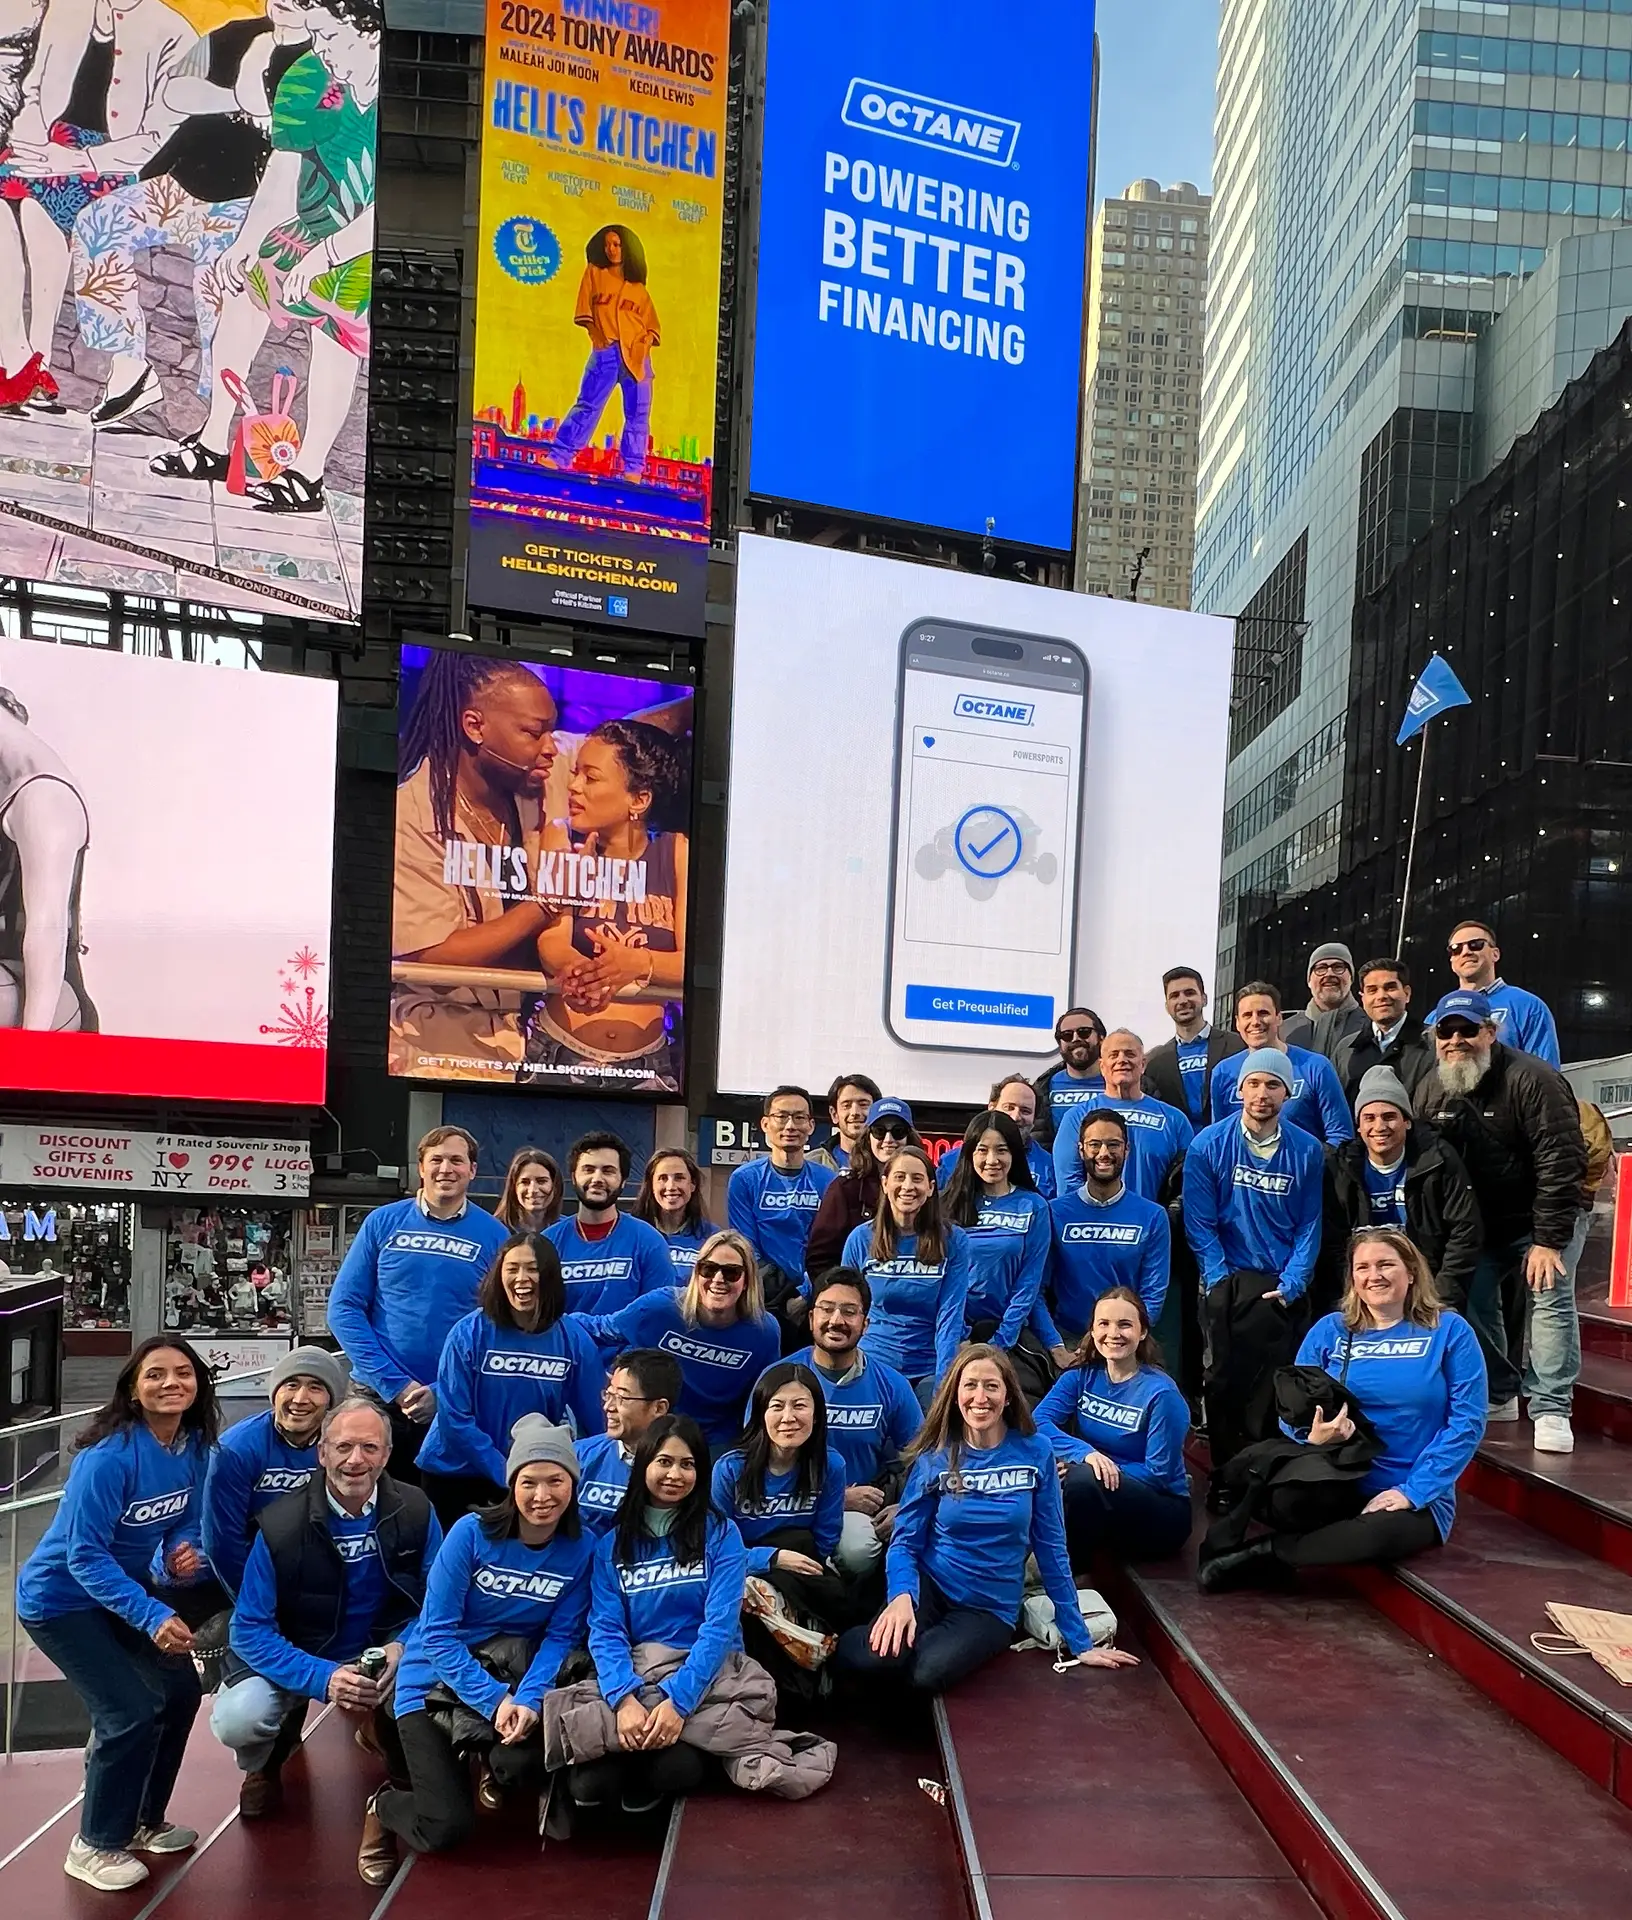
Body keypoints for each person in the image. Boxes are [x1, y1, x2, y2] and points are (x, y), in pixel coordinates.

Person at [149, 0, 380, 515]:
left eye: (331, 36)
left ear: (370, 34)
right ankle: (213, 443)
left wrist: (324, 258)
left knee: (336, 334)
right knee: (244, 293)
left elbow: (384, 211)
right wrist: (248, 242)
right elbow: (283, 167)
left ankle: (308, 474)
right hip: (311, 223)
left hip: (364, 241)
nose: (321, 50)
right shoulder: (311, 77)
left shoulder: (399, 94)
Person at [17, 1337, 218, 1890]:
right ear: (133, 1387)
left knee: (178, 1694)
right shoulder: (106, 1458)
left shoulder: (195, 1446)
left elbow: (185, 1521)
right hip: (60, 1602)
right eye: (155, 1374)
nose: (171, 1382)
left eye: (183, 1372)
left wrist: (180, 1553)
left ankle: (142, 1822)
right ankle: (94, 1843)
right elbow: (84, 1555)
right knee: (126, 1712)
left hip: (120, 1593)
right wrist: (152, 1612)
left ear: (198, 1383)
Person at [836, 1345, 1137, 1692]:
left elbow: (1051, 1547)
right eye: (970, 1385)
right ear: (955, 1394)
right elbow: (905, 1541)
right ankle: (835, 1645)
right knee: (882, 1656)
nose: (981, 1397)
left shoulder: (1035, 1452)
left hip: (989, 1607)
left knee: (925, 1673)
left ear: (1008, 1395)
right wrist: (902, 1596)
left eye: (991, 1386)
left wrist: (1080, 1641)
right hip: (930, 1585)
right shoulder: (936, 1456)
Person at [1198, 1229, 1485, 1591]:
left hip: (1413, 1487)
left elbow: (1468, 1423)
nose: (1373, 1275)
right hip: (1339, 1475)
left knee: (1379, 1535)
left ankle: (1265, 1554)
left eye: (1386, 1265)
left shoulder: (1450, 1331)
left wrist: (1412, 1491)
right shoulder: (1331, 1330)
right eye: (1362, 1267)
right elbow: (1292, 1412)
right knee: (1285, 1501)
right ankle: (1318, 1539)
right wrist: (1311, 1435)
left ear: (1411, 1272)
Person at [68, 0, 311, 424]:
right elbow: (174, 91)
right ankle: (129, 369)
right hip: (184, 182)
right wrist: (238, 98)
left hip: (255, 203)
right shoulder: (235, 33)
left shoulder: (325, 57)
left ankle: (213, 415)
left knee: (217, 288)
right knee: (97, 223)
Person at [366, 1417, 594, 1867]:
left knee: (526, 1765)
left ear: (574, 1483)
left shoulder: (583, 1548)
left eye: (556, 1480)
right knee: (445, 1828)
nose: (542, 1496)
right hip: (433, 1682)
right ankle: (381, 1808)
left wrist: (526, 1699)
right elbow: (435, 1633)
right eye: (529, 1482)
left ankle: (490, 1762)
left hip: (512, 1675)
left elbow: (560, 1636)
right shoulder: (471, 1533)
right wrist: (495, 1702)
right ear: (512, 1484)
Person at [211, 1398, 441, 1826]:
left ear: (387, 1455)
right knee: (240, 1718)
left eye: (370, 1448)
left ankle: (388, 1733)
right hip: (304, 1648)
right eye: (343, 1447)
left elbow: (441, 1605)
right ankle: (265, 1762)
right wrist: (322, 1677)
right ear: (322, 1452)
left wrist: (403, 1647)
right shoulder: (279, 1524)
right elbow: (248, 1630)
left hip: (381, 1648)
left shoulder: (417, 1510)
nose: (356, 1460)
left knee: (451, 1677)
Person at [0, 0, 194, 411]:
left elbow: (165, 138)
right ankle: (22, 357)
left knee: (39, 214)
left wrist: (83, 160)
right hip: (49, 147)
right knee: (12, 206)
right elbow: (31, 88)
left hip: (113, 161)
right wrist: (30, 133)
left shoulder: (174, 32)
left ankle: (35, 363)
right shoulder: (67, 10)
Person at [1419, 990, 1587, 1451]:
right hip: (1482, 1225)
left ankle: (1552, 1406)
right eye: (1446, 1032)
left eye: (1468, 1029)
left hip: (1543, 1217)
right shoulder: (1432, 1087)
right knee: (1467, 1302)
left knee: (1549, 1298)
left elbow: (1561, 1160)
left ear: (1490, 1032)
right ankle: (1500, 1391)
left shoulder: (1534, 1079)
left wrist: (1549, 1240)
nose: (1456, 1040)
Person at [388, 654, 566, 1076]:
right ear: (474, 726)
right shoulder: (411, 813)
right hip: (437, 1052)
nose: (551, 749)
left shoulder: (536, 777)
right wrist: (544, 906)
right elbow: (433, 955)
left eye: (552, 731)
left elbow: (627, 741)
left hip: (530, 1043)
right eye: (533, 733)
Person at [567, 1414, 747, 1817]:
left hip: (702, 1677)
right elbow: (606, 1629)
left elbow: (719, 1630)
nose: (675, 1474)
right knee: (591, 1785)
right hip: (637, 1675)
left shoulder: (721, 1534)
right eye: (664, 1462)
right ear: (644, 1464)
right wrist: (624, 1698)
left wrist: (678, 1702)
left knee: (672, 1769)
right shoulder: (613, 1544)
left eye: (687, 1464)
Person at [327, 1126, 511, 1479]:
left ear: (472, 1170)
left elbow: (498, 1326)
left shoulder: (495, 1236)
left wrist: (442, 1392)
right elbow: (343, 1309)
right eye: (436, 1160)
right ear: (421, 1167)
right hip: (376, 1395)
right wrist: (395, 1385)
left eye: (457, 1160)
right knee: (362, 1500)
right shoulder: (382, 1222)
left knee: (440, 1509)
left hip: (455, 1400)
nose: (446, 1169)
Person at [523, 719, 688, 1092]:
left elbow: (692, 965)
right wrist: (582, 972)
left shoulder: (676, 851)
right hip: (558, 1050)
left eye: (591, 778)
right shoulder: (561, 836)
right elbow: (552, 940)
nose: (574, 786)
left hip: (648, 1063)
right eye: (576, 773)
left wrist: (638, 963)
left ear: (639, 799)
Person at [1183, 1048, 1326, 1474]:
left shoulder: (1308, 1150)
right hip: (1228, 1281)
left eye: (1273, 1085)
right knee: (1223, 1384)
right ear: (1239, 1088)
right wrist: (1219, 1282)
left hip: (1282, 1286)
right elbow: (1200, 1224)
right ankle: (1227, 1476)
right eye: (1255, 1084)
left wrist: (1294, 1282)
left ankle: (1267, 1472)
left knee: (1275, 1387)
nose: (1262, 1094)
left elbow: (1310, 1224)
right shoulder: (1207, 1145)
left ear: (1287, 1093)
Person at [415, 1233, 607, 1524]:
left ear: (550, 1276)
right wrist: (506, 1470)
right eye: (512, 1268)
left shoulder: (573, 1339)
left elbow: (595, 1422)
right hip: (456, 1473)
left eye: (532, 1268)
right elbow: (455, 1418)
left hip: (531, 1480)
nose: (522, 1278)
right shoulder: (469, 1332)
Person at [575, 1229, 780, 1445]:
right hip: (655, 1432)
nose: (718, 1279)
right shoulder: (660, 1308)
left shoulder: (764, 1332)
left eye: (731, 1273)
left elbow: (764, 1397)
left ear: (747, 1281)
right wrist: (551, 1321)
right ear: (696, 1274)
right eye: (708, 1269)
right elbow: (601, 1329)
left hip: (717, 1441)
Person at [1035, 1287, 1192, 1566]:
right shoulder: (1081, 1376)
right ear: (1093, 1332)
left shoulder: (1161, 1394)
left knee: (1080, 1481)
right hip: (1103, 1494)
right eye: (1104, 1324)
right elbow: (1038, 1422)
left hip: (1161, 1511)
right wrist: (1083, 1453)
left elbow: (1158, 1474)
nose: (1113, 1333)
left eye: (1125, 1324)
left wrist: (1093, 1469)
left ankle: (1068, 1570)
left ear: (1142, 1332)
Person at [711, 1364, 847, 1677]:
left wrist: (792, 1562)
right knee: (745, 1593)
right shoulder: (730, 1469)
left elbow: (826, 1537)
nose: (788, 1417)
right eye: (777, 1406)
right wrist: (772, 1559)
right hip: (743, 1563)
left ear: (816, 1414)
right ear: (760, 1414)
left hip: (802, 1561)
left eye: (800, 1406)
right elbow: (714, 1549)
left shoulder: (830, 1466)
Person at [785, 1269, 920, 1577]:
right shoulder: (778, 1378)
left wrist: (906, 1508)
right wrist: (833, 1497)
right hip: (784, 1506)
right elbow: (753, 1463)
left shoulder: (891, 1385)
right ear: (810, 1318)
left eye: (849, 1312)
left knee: (859, 1550)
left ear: (865, 1323)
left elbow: (925, 1459)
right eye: (827, 1309)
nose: (836, 1320)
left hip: (858, 1514)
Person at [1319, 1066, 1481, 1315]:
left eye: (1389, 1116)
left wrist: (1441, 1296)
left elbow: (1464, 1231)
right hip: (1367, 1283)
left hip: (1429, 1279)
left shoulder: (1438, 1159)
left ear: (1407, 1121)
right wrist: (1358, 1293)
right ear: (1359, 1128)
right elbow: (1334, 1241)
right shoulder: (1341, 1169)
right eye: (1369, 1118)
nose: (1379, 1126)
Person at [203, 1344, 346, 1595]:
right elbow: (223, 1543)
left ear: (331, 1400)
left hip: (296, 1564)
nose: (300, 1399)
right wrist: (255, 1605)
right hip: (220, 1572)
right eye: (291, 1385)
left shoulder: (341, 1445)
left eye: (315, 1387)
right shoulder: (235, 1450)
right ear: (275, 1393)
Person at [0, 682, 96, 1031]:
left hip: (48, 1006)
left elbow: (47, 931)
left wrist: (32, 1059)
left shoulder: (44, 795)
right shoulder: (20, 793)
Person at [842, 1145, 972, 1398]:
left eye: (918, 1178)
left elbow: (950, 1317)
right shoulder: (860, 1239)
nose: (908, 1186)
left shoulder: (954, 1240)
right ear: (885, 1184)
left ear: (931, 1188)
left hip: (929, 1366)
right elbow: (846, 1309)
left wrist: (942, 1384)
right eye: (899, 1177)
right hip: (874, 1362)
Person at [1042, 1111, 1170, 1363]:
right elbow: (1036, 1290)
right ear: (1081, 1150)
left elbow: (1153, 1295)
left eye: (1113, 1144)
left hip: (1125, 1344)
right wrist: (1055, 1345)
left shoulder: (1153, 1216)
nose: (1103, 1153)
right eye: (1094, 1144)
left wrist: (1113, 1338)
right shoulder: (1054, 1212)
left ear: (1127, 1149)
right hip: (1067, 1345)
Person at [547, 223, 660, 480]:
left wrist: (644, 347)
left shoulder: (639, 289)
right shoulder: (594, 273)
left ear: (627, 248)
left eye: (617, 244)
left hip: (638, 359)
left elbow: (653, 327)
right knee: (587, 405)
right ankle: (560, 456)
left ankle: (633, 469)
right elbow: (584, 310)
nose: (611, 249)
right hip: (606, 353)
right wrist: (596, 337)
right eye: (607, 244)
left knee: (638, 415)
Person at [940, 1109, 1051, 1352]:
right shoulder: (946, 1206)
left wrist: (1001, 1341)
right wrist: (960, 1337)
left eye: (1001, 1150)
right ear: (969, 1153)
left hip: (1009, 1334)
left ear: (1014, 1153)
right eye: (982, 1150)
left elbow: (1029, 1282)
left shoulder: (1034, 1206)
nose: (992, 1160)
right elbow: (940, 1279)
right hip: (954, 1333)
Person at [727, 1086, 838, 1325]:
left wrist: (807, 1294)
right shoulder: (744, 1179)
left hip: (816, 1300)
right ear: (766, 1124)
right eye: (782, 1116)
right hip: (763, 1301)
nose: (790, 1126)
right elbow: (747, 1249)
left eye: (799, 1118)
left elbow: (830, 1246)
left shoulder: (828, 1181)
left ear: (811, 1126)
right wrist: (785, 1296)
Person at [1054, 1030, 1193, 1201]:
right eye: (1114, 1055)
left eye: (1130, 1054)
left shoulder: (1175, 1120)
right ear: (1102, 1067)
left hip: (1154, 1223)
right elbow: (1069, 1181)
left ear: (1143, 1064)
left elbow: (1188, 1184)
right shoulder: (1076, 1117)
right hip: (1097, 1223)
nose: (1122, 1060)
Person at [1210, 981, 1354, 1146]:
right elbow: (1218, 1138)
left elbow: (1341, 1136)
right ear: (1237, 1022)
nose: (1255, 1021)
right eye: (1247, 1015)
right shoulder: (1222, 1072)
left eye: (1263, 1013)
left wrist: (1311, 1163)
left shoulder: (1316, 1067)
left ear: (1279, 1018)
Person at [543, 1132, 672, 1313]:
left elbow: (658, 1314)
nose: (597, 1179)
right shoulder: (548, 1243)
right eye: (588, 1169)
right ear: (573, 1177)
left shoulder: (649, 1241)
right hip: (566, 1341)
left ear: (623, 1181)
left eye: (608, 1171)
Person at [803, 1095, 921, 1281]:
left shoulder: (926, 1187)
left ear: (910, 1137)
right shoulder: (844, 1189)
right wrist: (848, 1296)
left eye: (898, 1131)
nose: (888, 1139)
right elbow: (819, 1259)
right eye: (879, 1131)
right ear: (868, 1137)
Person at [574, 1348, 680, 1533]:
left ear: (659, 1408)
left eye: (621, 1398)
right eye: (608, 1395)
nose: (608, 1407)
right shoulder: (579, 1455)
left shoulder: (680, 1472)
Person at [1443, 920, 1561, 1067]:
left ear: (1495, 954)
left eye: (1476, 944)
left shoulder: (1528, 1006)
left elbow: (1546, 1074)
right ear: (1452, 961)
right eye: (1456, 949)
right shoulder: (1436, 1016)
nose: (1466, 952)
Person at [1144, 966, 1244, 1128]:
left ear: (1204, 999)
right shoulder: (1156, 1062)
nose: (1183, 1001)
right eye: (1174, 996)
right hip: (1181, 1149)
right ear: (1167, 1006)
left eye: (1189, 993)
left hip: (1229, 1143)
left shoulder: (1238, 1046)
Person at [1332, 956, 1436, 1104]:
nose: (1381, 996)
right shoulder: (1345, 1049)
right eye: (1372, 990)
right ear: (1362, 998)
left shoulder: (1433, 1043)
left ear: (1407, 993)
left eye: (1390, 987)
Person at [936, 1073, 1058, 1197]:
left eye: (1025, 1111)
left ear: (1034, 1118)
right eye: (1009, 1107)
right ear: (991, 1108)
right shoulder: (951, 1162)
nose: (1016, 1117)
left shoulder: (1050, 1166)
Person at [631, 1146, 718, 1279]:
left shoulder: (711, 1237)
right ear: (651, 1186)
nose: (671, 1186)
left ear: (692, 1184)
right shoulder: (632, 1234)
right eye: (662, 1178)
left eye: (679, 1178)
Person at [1030, 1007, 1107, 1149]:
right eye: (1066, 1035)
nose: (1075, 1039)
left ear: (1101, 1038)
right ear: (1060, 1044)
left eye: (1084, 1032)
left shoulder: (1125, 1083)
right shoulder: (1042, 1088)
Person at [1280, 943, 1367, 1059]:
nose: (1330, 973)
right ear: (1309, 981)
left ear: (1351, 978)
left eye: (1338, 967)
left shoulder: (1371, 1027)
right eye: (1321, 968)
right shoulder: (1283, 1031)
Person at [812, 1072, 882, 1173]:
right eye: (846, 1105)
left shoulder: (892, 1163)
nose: (855, 1112)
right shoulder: (812, 1163)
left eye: (863, 1104)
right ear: (834, 1114)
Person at [495, 1148, 564, 1233]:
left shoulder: (567, 1230)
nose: (533, 1190)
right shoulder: (494, 1229)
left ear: (555, 1185)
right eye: (525, 1182)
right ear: (513, 1188)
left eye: (541, 1181)